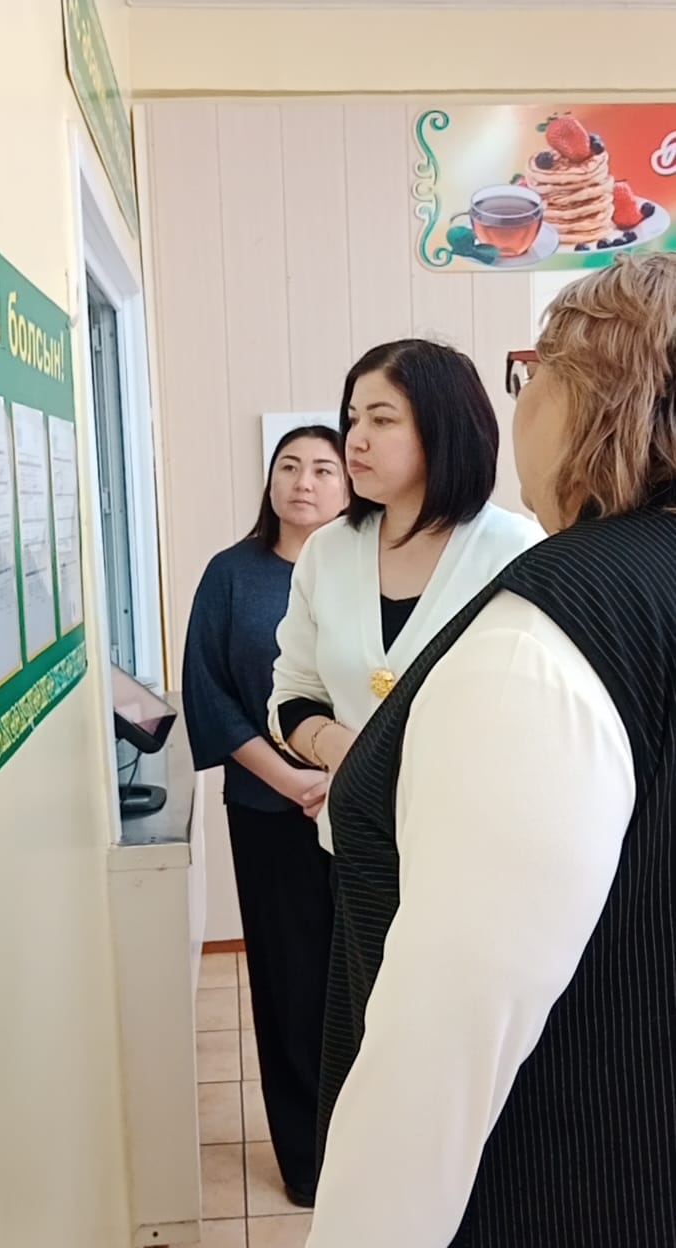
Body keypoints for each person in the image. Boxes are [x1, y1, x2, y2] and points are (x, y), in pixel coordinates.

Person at [306, 253, 676, 1248]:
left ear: (588, 389)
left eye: (528, 373)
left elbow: (440, 1044)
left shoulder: (544, 634)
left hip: (555, 1185)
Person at [268, 339, 543, 850]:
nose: (355, 440)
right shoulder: (327, 550)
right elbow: (291, 696)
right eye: (352, 419)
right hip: (355, 845)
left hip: (476, 847)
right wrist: (338, 748)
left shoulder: (517, 552)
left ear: (443, 431)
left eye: (381, 420)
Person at [181, 424, 347, 1209]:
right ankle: (307, 1163)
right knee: (290, 985)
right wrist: (291, 780)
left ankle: (369, 1150)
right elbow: (207, 694)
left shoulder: (366, 570)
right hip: (267, 811)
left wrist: (343, 782)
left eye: (322, 468)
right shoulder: (231, 574)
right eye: (289, 466)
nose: (303, 482)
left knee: (368, 983)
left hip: (366, 812)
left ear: (349, 484)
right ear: (270, 481)